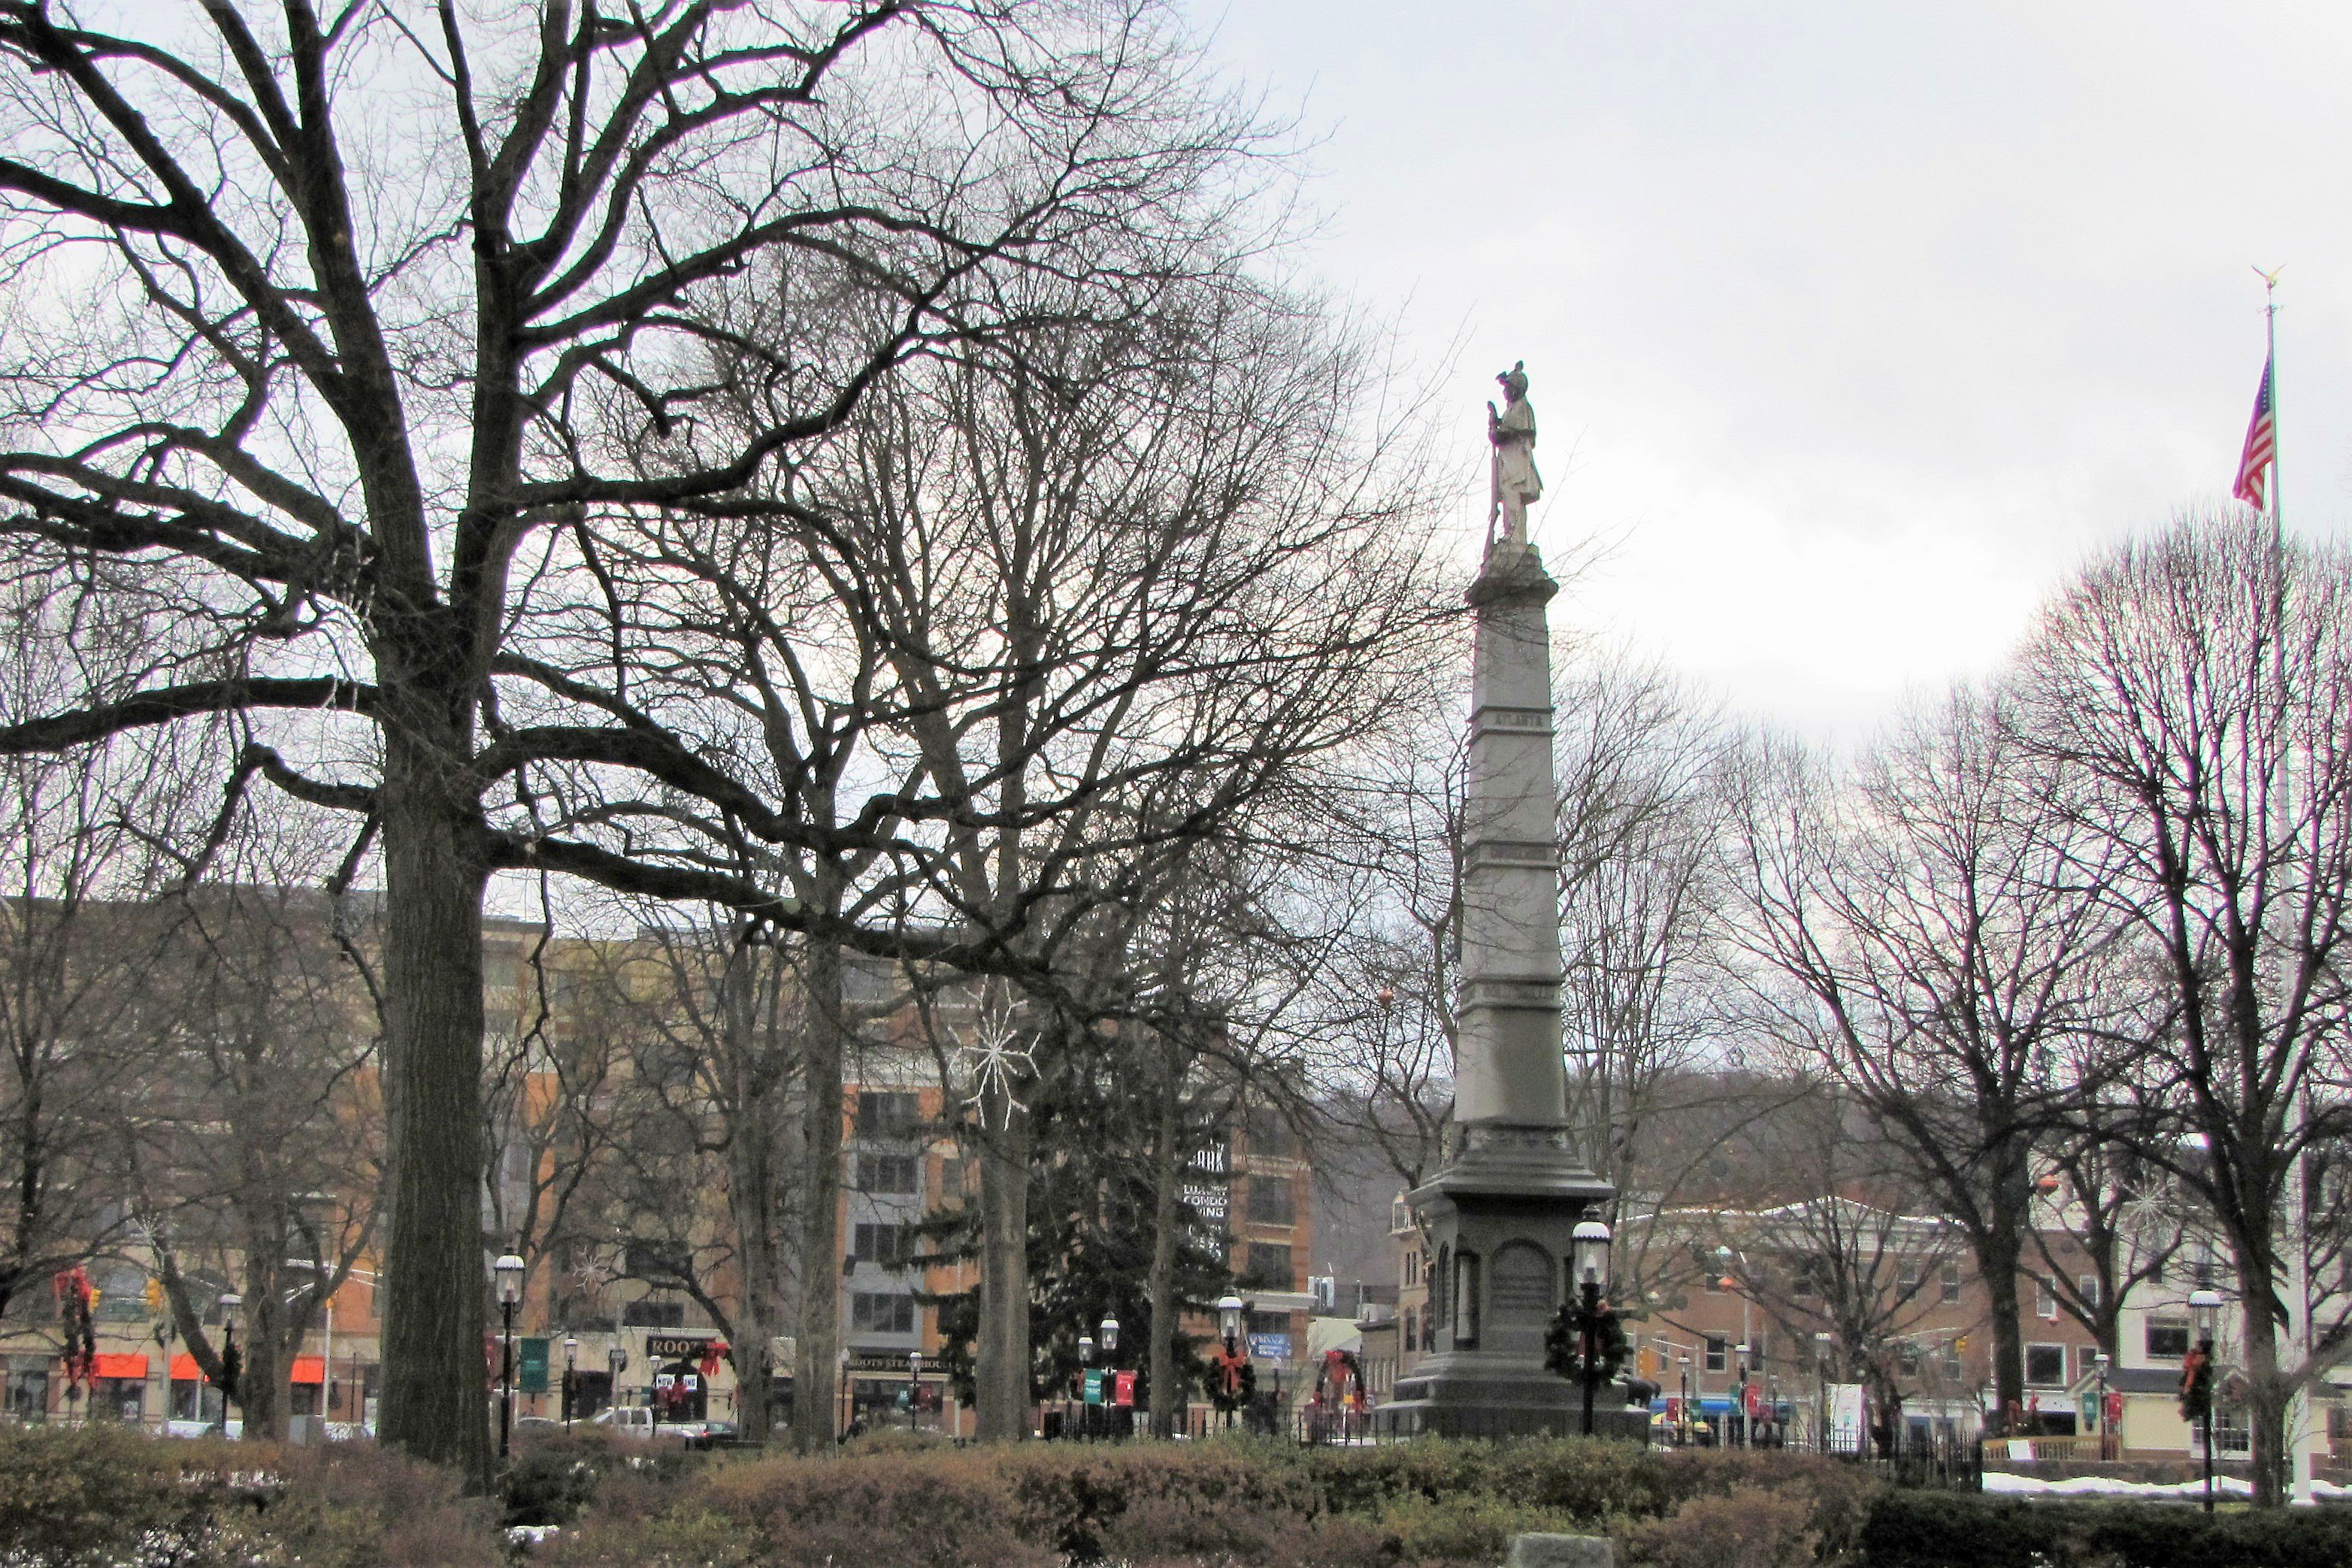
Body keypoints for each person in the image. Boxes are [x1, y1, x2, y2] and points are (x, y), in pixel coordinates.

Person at [1486, 361, 1542, 547]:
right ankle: (1513, 535)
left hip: (1517, 461)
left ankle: (1514, 536)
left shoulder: (1521, 408)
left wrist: (1496, 430)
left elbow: (1508, 432)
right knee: (1510, 495)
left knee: (1512, 494)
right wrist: (1496, 421)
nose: (1505, 392)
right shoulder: (1513, 409)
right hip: (1510, 460)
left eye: (1508, 388)